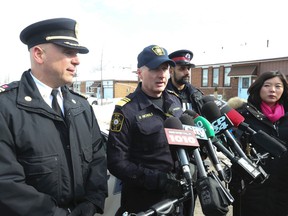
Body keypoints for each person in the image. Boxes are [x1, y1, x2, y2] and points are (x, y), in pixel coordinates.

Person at [0, 18, 108, 216]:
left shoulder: (81, 106)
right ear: (39, 54)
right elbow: (6, 184)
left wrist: (92, 204)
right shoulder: (5, 108)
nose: (77, 60)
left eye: (76, 53)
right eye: (68, 52)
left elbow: (98, 160)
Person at [107, 45, 186, 215]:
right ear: (140, 73)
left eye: (165, 68)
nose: (161, 74)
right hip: (144, 203)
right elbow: (116, 162)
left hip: (177, 199)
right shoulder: (126, 110)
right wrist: (157, 180)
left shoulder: (175, 102)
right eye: (154, 69)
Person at [229, 71, 288, 216]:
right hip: (250, 190)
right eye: (267, 85)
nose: (272, 90)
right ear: (258, 88)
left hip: (283, 190)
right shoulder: (243, 115)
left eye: (278, 86)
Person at [167, 49, 204, 114]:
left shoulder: (196, 94)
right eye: (182, 69)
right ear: (171, 71)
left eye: (188, 68)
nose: (188, 73)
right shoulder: (163, 95)